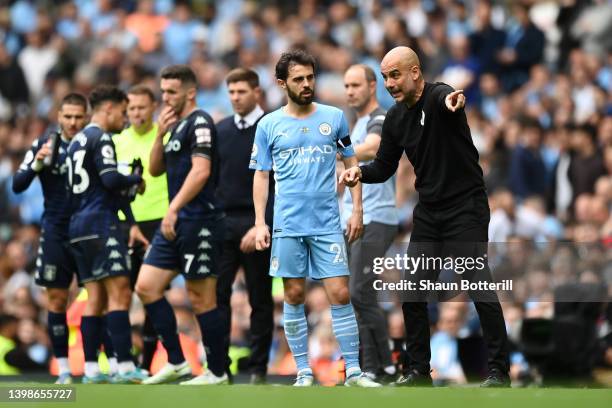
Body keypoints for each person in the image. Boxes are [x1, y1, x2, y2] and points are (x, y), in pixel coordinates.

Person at [339, 46, 510, 387]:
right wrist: (359, 172)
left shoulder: (437, 98)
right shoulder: (396, 118)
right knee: (412, 290)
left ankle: (499, 372)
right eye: (385, 77)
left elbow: (449, 98)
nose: (389, 83)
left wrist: (454, 102)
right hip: (430, 213)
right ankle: (418, 371)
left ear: (415, 72)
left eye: (395, 75)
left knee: (478, 284)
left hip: (465, 207)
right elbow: (385, 166)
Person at [250, 50, 380, 388]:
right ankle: (304, 372)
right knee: (293, 295)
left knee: (339, 294)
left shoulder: (334, 117)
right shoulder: (268, 125)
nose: (307, 84)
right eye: (298, 79)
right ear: (282, 84)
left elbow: (351, 164)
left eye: (310, 77)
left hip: (326, 223)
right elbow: (261, 175)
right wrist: (260, 222)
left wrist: (357, 209)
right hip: (287, 225)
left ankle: (353, 371)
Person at [135, 65, 227, 386]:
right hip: (176, 222)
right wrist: (160, 134)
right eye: (163, 91)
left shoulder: (200, 122)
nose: (165, 97)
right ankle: (176, 362)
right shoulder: (173, 125)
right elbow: (155, 169)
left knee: (202, 298)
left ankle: (217, 371)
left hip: (199, 220)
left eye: (171, 91)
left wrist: (172, 208)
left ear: (190, 92)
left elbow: (201, 171)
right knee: (146, 286)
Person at [67, 85, 149, 384]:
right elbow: (111, 178)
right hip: (100, 223)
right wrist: (135, 179)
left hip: (77, 226)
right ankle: (125, 367)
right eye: (124, 112)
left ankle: (91, 369)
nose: (125, 119)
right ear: (109, 109)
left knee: (95, 299)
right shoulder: (100, 138)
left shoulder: (76, 141)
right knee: (120, 294)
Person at [12, 92, 88, 384]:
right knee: (56, 299)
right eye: (67, 116)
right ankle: (65, 370)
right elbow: (18, 185)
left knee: (96, 300)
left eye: (78, 116)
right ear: (59, 116)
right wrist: (37, 164)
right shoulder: (44, 145)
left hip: (88, 232)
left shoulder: (95, 143)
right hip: (56, 231)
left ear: (87, 116)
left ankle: (94, 366)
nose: (72, 122)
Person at [215, 68, 273, 384]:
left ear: (256, 92)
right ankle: (219, 367)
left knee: (260, 298)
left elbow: (278, 184)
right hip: (224, 223)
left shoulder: (274, 126)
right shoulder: (221, 130)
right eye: (232, 92)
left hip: (259, 223)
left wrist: (262, 223)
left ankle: (258, 369)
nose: (236, 97)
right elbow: (212, 180)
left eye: (241, 91)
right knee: (218, 296)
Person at [341, 64, 399, 383]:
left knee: (360, 290)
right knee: (359, 296)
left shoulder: (381, 117)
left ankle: (384, 364)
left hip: (378, 215)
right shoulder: (358, 122)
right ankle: (372, 367)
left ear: (371, 86)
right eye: (346, 86)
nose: (350, 91)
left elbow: (374, 148)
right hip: (358, 218)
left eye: (355, 85)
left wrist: (335, 153)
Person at [113, 85, 168, 372]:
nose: (136, 113)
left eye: (142, 108)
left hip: (159, 221)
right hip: (126, 224)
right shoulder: (117, 141)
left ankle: (147, 363)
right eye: (131, 108)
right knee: (121, 291)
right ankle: (122, 360)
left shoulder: (166, 135)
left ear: (153, 107)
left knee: (151, 292)